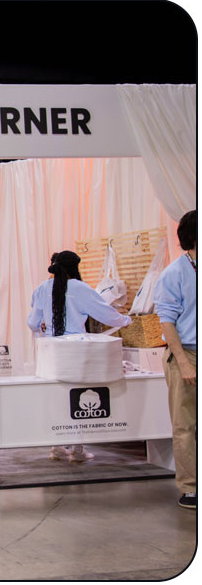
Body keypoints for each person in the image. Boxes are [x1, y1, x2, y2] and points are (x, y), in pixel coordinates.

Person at [27, 250, 133, 463]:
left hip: (50, 353)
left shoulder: (42, 289)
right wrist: (126, 320)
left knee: (55, 400)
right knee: (77, 400)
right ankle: (77, 449)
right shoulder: (80, 288)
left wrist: (44, 326)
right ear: (75, 267)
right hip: (75, 352)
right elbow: (106, 314)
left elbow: (32, 323)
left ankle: (56, 446)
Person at [153, 210, 197, 510]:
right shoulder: (174, 274)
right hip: (187, 351)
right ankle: (191, 487)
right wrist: (183, 361)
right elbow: (166, 322)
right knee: (185, 425)